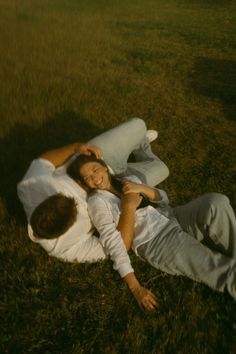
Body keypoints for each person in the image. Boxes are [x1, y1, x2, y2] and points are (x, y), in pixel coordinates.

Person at [68, 154, 236, 310]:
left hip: (173, 216)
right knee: (217, 267)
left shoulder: (126, 179)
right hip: (157, 241)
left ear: (104, 167)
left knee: (216, 202)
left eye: (95, 170)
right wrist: (136, 288)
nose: (95, 178)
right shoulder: (98, 202)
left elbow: (163, 199)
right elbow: (116, 245)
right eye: (88, 178)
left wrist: (140, 187)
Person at [17, 118, 169, 264]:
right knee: (162, 170)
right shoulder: (65, 249)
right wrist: (129, 207)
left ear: (44, 201)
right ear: (69, 226)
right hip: (117, 192)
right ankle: (140, 145)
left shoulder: (30, 188)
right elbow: (118, 248)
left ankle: (135, 142)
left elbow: (44, 162)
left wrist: (76, 148)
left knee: (139, 125)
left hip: (94, 161)